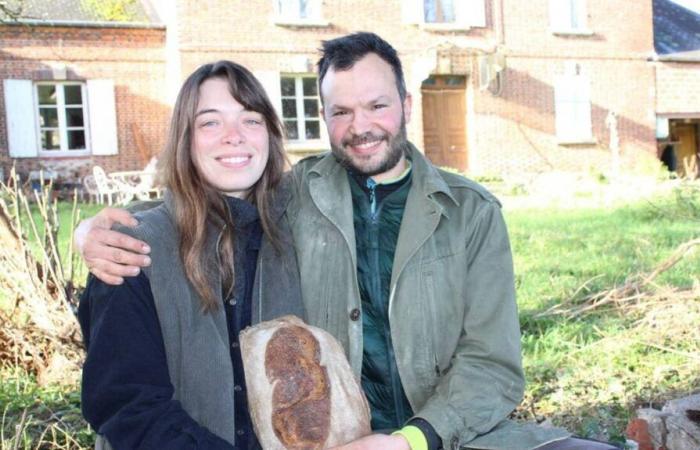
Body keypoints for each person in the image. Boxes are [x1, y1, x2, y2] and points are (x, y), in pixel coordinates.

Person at [75, 33, 619, 450]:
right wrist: (95, 233)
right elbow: (208, 207)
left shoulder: (470, 212)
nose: (361, 127)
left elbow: (492, 363)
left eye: (377, 106)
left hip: (446, 434)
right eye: (341, 112)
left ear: (406, 103)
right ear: (322, 117)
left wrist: (408, 441)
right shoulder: (295, 199)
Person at [78, 60, 303, 450]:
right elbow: (127, 407)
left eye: (250, 119)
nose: (234, 137)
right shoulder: (131, 250)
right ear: (185, 138)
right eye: (210, 122)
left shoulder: (292, 238)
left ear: (270, 134)